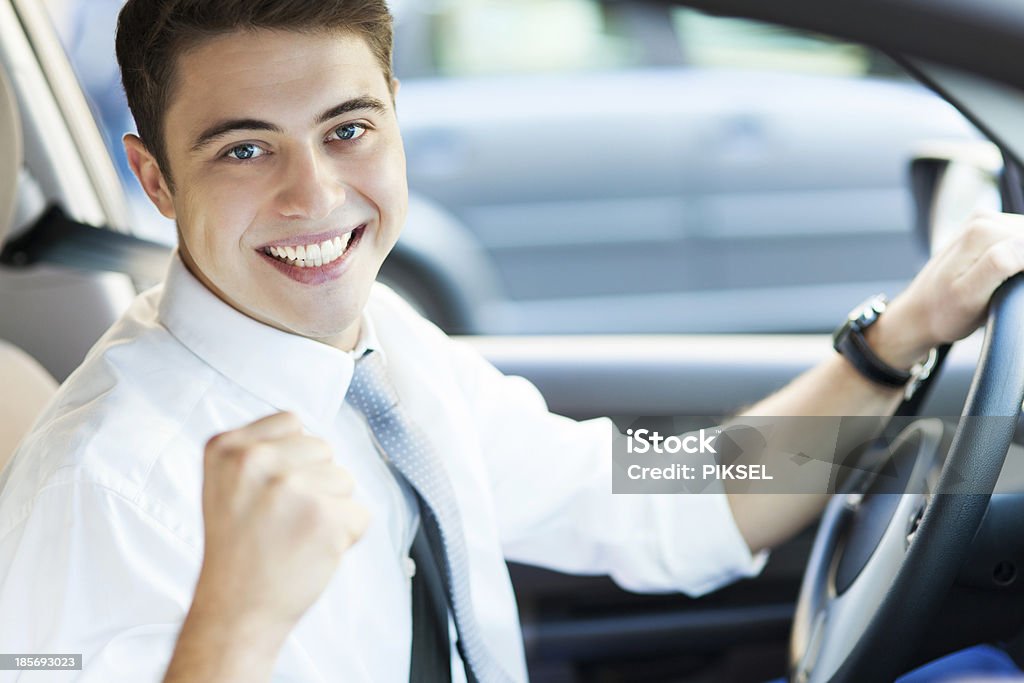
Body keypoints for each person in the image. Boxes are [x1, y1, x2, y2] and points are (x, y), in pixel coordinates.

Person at [0, 1, 1022, 681]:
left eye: (347, 129)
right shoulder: (109, 479)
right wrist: (234, 619)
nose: (313, 193)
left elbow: (669, 496)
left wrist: (898, 336)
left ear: (395, 117)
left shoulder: (383, 352)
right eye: (245, 148)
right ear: (156, 179)